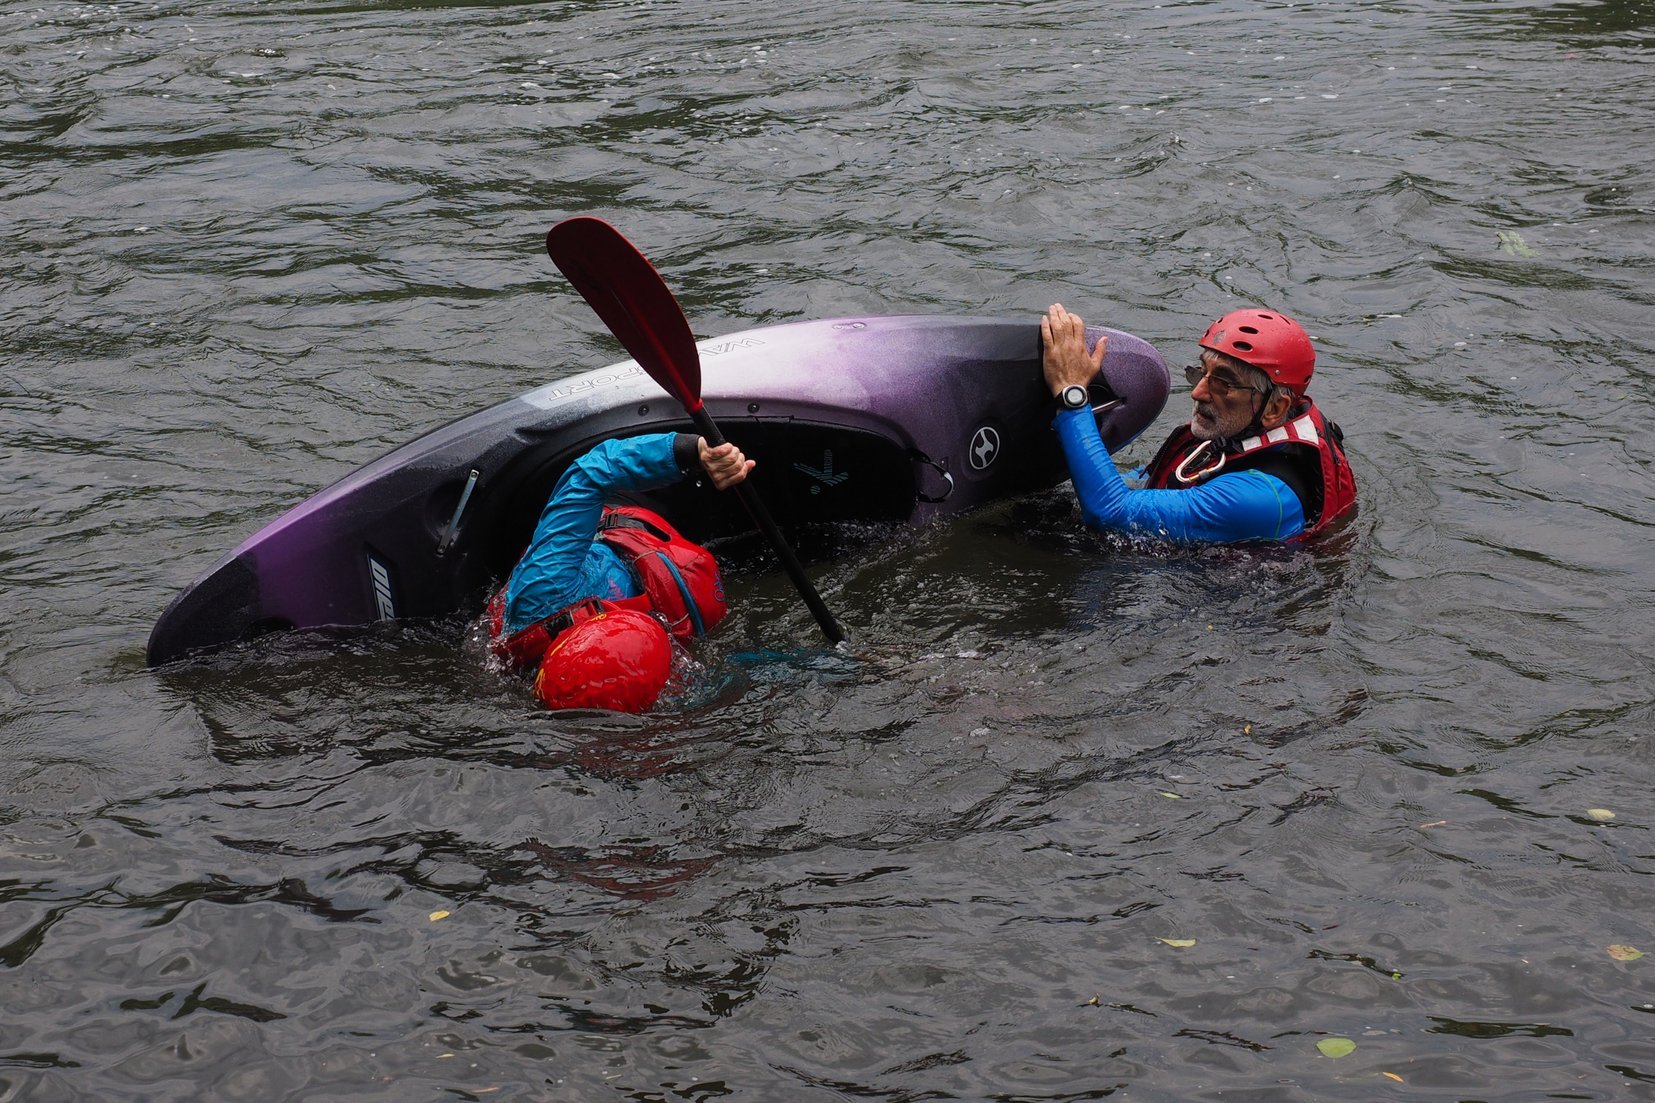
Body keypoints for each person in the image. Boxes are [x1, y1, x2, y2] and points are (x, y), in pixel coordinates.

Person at [1040, 302, 1356, 542]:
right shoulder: (1242, 427)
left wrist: (1071, 393)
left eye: (1223, 383)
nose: (1197, 392)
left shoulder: (1260, 499)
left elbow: (1109, 512)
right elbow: (1141, 484)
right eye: (1201, 372)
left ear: (1275, 407)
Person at [485, 431, 753, 712]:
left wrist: (692, 452)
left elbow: (592, 473)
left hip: (625, 516)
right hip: (674, 576)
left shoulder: (542, 591)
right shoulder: (653, 681)